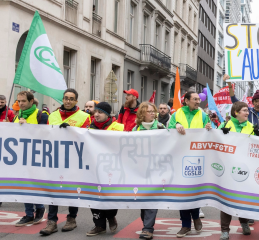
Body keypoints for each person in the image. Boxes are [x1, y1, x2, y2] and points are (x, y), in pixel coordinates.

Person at [40, 88, 91, 236]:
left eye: (71, 98)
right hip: (55, 158)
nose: (68, 101)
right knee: (53, 189)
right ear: (63, 99)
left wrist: (72, 132)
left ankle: (71, 218)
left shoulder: (83, 116)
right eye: (66, 98)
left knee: (72, 189)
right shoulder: (53, 115)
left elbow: (86, 138)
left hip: (74, 159)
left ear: (76, 101)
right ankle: (52, 221)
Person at [168, 91, 212, 238]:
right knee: (183, 192)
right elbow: (168, 131)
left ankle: (196, 216)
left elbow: (212, 130)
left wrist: (209, 129)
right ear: (186, 100)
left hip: (197, 157)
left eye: (199, 99)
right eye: (195, 99)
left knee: (194, 190)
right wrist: (176, 125)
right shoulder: (176, 114)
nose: (198, 102)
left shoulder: (203, 114)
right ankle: (185, 225)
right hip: (180, 157)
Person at [216, 101, 256, 240]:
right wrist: (220, 132)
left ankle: (244, 222)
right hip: (227, 167)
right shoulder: (226, 125)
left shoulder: (251, 126)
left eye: (247, 110)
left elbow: (258, 146)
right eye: (245, 110)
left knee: (242, 198)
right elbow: (214, 140)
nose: (247, 112)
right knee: (226, 199)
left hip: (244, 167)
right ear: (236, 113)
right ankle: (225, 230)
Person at [10, 91, 49, 225]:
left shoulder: (41, 115)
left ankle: (39, 207)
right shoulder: (17, 115)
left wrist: (28, 127)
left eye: (23, 101)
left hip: (37, 156)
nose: (20, 104)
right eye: (18, 101)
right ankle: (28, 213)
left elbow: (46, 135)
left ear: (31, 101)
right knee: (24, 185)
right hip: (20, 156)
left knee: (34, 184)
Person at [130, 102, 166, 239]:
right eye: (149, 111)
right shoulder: (136, 129)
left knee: (151, 197)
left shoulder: (160, 126)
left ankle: (147, 228)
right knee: (142, 199)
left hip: (155, 168)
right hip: (140, 169)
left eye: (153, 111)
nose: (153, 113)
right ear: (142, 114)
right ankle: (146, 222)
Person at [86, 102, 122, 236]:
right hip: (93, 168)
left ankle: (111, 216)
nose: (96, 114)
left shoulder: (118, 127)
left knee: (110, 196)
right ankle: (99, 225)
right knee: (93, 197)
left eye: (100, 112)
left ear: (107, 114)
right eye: (95, 112)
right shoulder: (88, 128)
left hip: (111, 169)